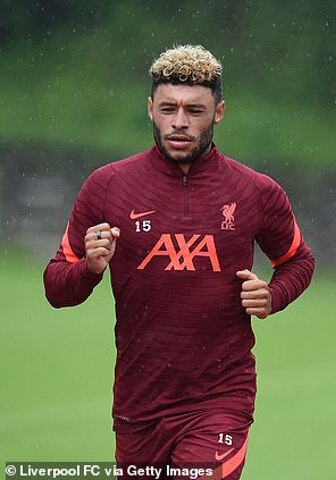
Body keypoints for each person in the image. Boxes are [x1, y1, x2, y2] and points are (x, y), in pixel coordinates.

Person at [44, 45, 314, 477]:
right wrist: (89, 268)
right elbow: (56, 287)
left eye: (195, 110)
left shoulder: (256, 191)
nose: (180, 122)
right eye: (168, 109)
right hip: (138, 405)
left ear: (219, 112)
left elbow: (298, 260)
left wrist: (272, 295)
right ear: (150, 109)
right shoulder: (108, 186)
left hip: (220, 398)